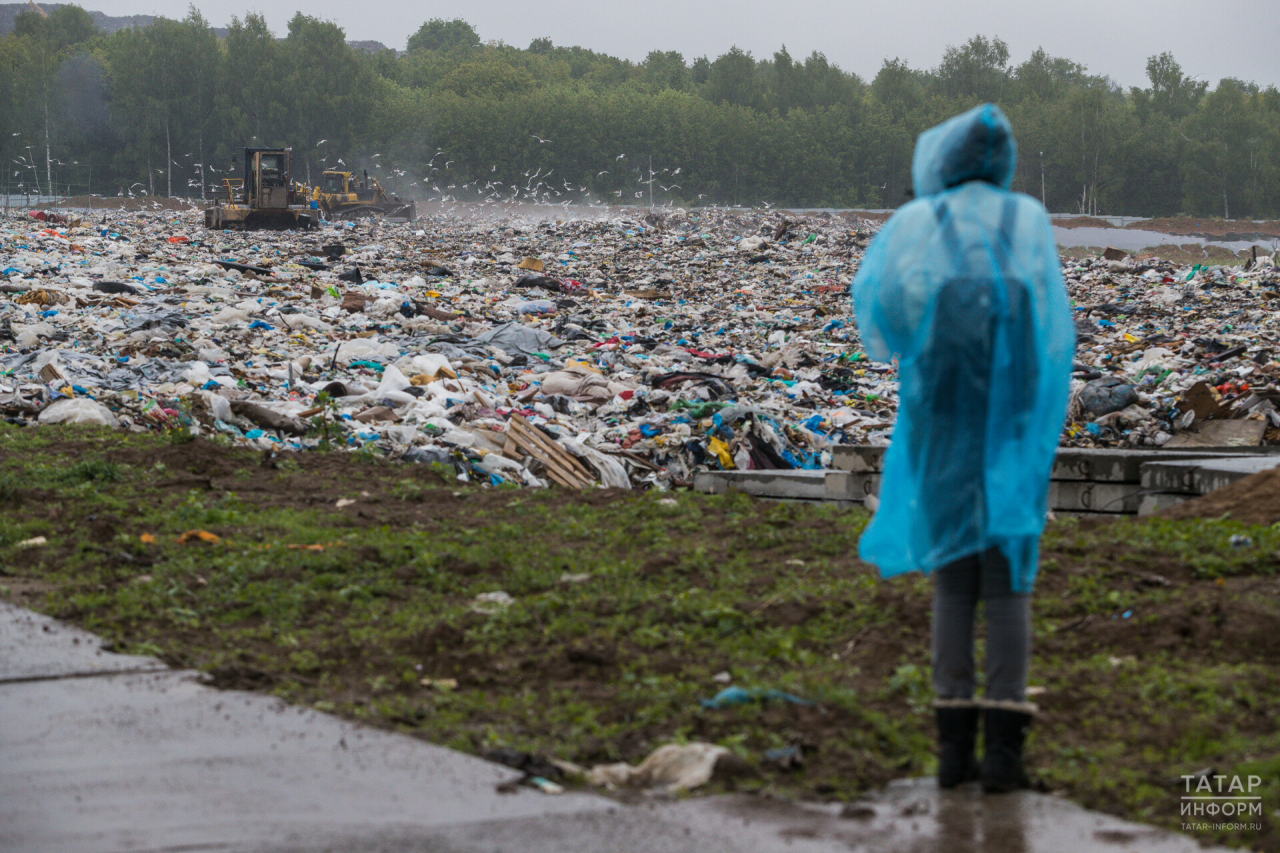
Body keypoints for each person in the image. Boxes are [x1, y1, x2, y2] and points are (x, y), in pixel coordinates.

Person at [851, 104, 1074, 793]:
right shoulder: (1027, 218)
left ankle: (952, 750)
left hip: (942, 416)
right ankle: (1004, 753)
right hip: (1009, 422)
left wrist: (924, 345)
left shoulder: (917, 222)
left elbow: (881, 312)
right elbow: (1052, 326)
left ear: (942, 159)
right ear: (1002, 158)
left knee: (952, 579)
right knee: (1008, 580)